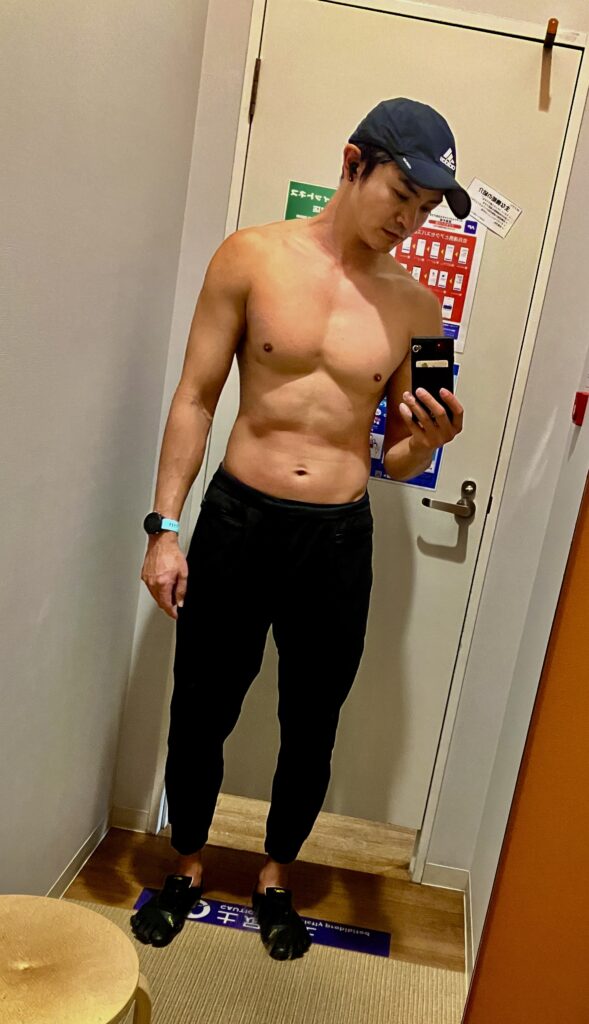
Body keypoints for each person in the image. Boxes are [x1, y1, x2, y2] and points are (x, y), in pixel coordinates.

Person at [130, 97, 469, 961]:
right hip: (237, 523)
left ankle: (276, 877)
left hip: (336, 542)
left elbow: (398, 460)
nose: (410, 220)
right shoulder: (250, 257)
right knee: (202, 709)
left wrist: (427, 440)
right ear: (353, 162)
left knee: (311, 723)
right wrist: (164, 529)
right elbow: (195, 397)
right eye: (401, 195)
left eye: (426, 209)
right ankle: (187, 864)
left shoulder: (418, 309)